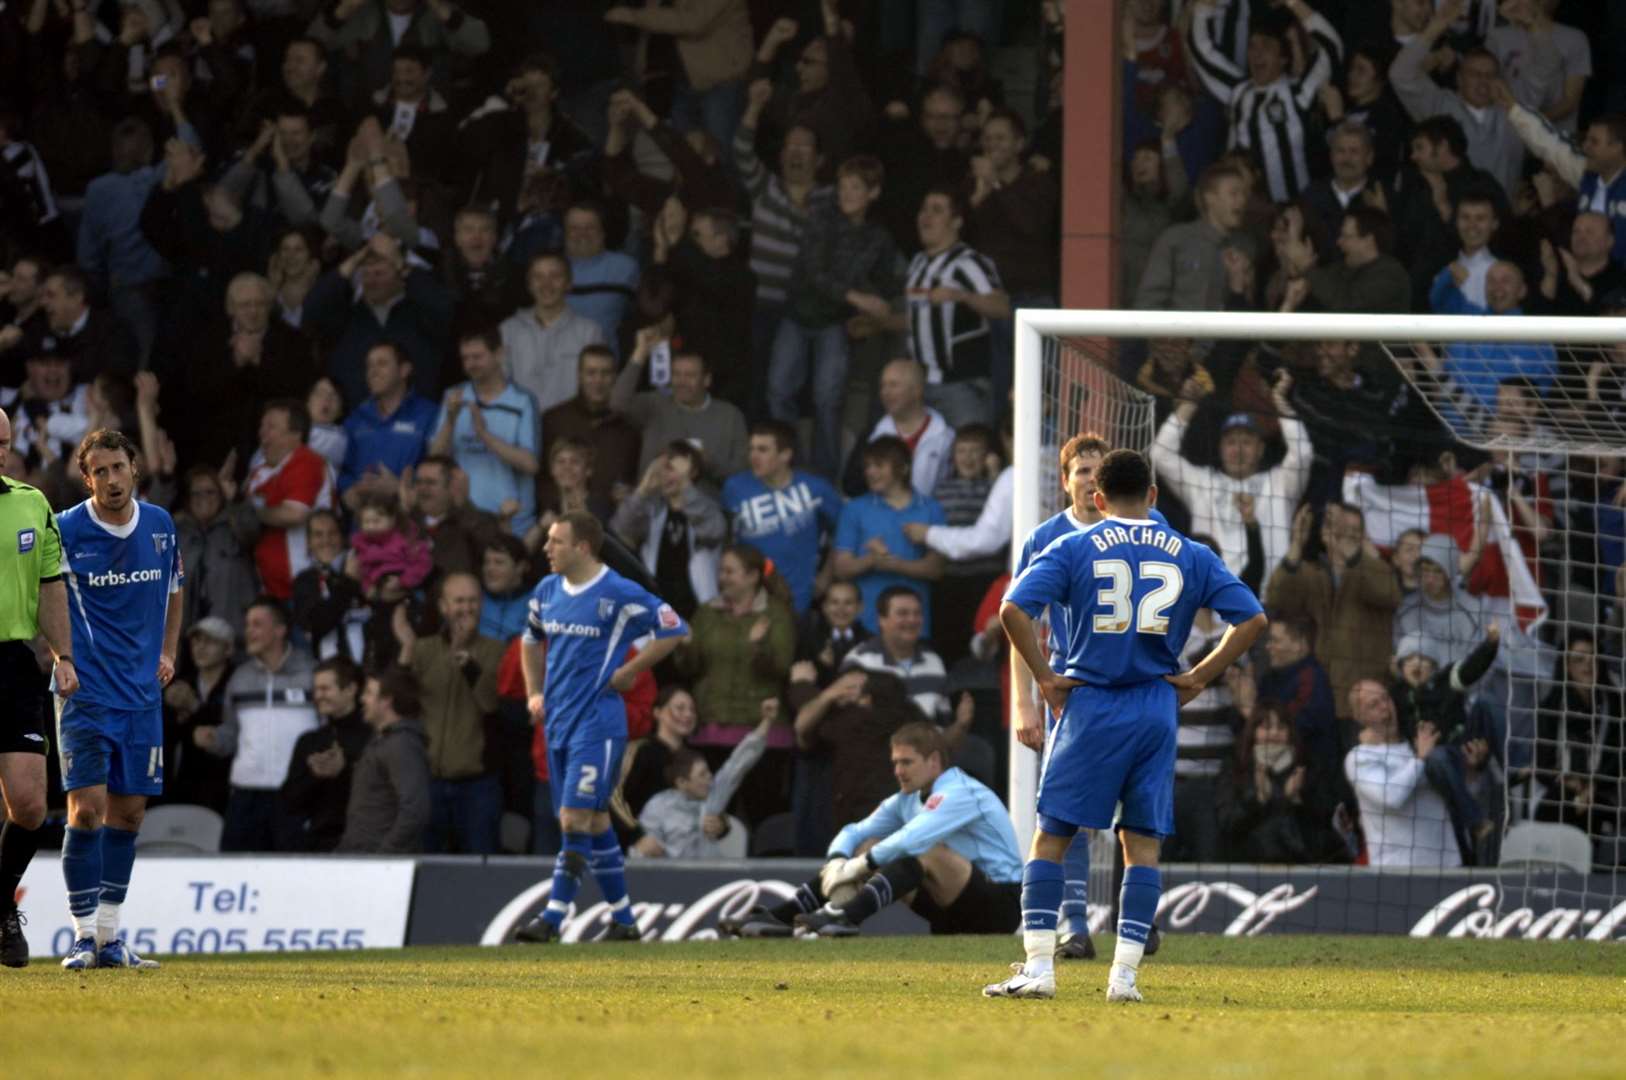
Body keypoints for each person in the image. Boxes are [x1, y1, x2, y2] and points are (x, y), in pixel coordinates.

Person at [988, 449, 1266, 1003]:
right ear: (1155, 497)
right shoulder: (1191, 553)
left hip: (1090, 704)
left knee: (1051, 838)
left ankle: (1039, 970)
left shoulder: (1072, 544)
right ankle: (1124, 980)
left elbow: (1013, 610)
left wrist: (1044, 678)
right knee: (1141, 847)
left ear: (1097, 498)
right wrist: (1199, 677)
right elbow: (1253, 618)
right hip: (1156, 707)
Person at [1006, 433, 1170, 961]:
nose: (1089, 479)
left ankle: (1135, 924)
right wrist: (1026, 699)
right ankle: (1076, 925)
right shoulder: (1046, 539)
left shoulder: (1153, 531)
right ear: (1066, 481)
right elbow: (1020, 618)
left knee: (1134, 813)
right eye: (1081, 471)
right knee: (1064, 814)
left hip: (1128, 690)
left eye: (1098, 471)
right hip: (1069, 693)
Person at [513, 511, 689, 944]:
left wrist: (633, 669)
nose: (546, 548)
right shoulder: (548, 590)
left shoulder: (618, 591)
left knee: (573, 818)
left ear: (583, 547)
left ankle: (552, 918)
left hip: (598, 723)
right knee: (591, 822)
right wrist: (535, 691)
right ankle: (625, 921)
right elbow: (530, 640)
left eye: (556, 541)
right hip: (558, 724)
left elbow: (674, 628)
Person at [53, 429, 185, 970]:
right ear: (88, 479)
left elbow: (175, 590)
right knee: (86, 811)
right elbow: (45, 594)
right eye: (99, 471)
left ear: (135, 468)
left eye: (118, 467)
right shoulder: (65, 530)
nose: (111, 479)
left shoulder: (159, 524)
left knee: (128, 816)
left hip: (141, 696)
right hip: (86, 693)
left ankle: (110, 940)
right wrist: (60, 654)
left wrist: (170, 651)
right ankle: (83, 935)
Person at [725, 722, 1022, 939]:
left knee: (925, 850)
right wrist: (838, 862)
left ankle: (847, 917)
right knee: (869, 845)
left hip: (1000, 905)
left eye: (907, 762)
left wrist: (858, 867)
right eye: (895, 762)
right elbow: (854, 831)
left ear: (933, 761)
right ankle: (783, 918)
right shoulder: (906, 798)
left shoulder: (960, 791)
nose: (898, 771)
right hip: (953, 913)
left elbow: (913, 839)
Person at [0, 407, 76, 968]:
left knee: (29, 804)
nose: (0, 453)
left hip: (12, 662)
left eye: (3, 443)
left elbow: (51, 587)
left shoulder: (31, 504)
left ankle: (2, 905)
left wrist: (63, 654)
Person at [197, 597, 318, 853]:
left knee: (290, 879)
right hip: (245, 795)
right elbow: (232, 735)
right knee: (235, 873)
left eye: (257, 624)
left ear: (280, 630)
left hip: (296, 795)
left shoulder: (312, 673)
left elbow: (327, 732)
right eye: (247, 624)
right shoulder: (240, 679)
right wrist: (214, 738)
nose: (248, 631)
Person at [395, 572, 504, 854]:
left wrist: (467, 663)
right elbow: (398, 703)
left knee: (480, 867)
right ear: (443, 606)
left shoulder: (496, 650)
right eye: (459, 601)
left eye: (473, 601)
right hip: (427, 780)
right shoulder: (423, 649)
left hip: (477, 785)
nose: (466, 608)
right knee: (428, 865)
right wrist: (406, 650)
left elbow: (490, 703)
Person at [721, 419, 843, 614]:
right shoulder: (734, 488)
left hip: (800, 597)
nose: (753, 456)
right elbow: (726, 538)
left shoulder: (816, 488)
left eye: (763, 450)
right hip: (750, 599)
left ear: (785, 455)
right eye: (751, 449)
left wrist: (826, 575)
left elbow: (844, 530)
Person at [428, 327, 541, 535]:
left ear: (499, 354)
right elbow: (434, 461)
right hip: (461, 522)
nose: (471, 364)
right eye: (466, 358)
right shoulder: (453, 397)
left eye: (477, 357)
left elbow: (530, 464)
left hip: (511, 524)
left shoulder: (523, 401)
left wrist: (484, 435)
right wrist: (450, 421)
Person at [634, 702, 777, 859]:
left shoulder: (712, 801)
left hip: (709, 877)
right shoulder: (658, 806)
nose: (710, 777)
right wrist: (642, 849)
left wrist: (767, 722)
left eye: (708, 772)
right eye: (702, 774)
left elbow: (737, 764)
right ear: (682, 782)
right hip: (668, 877)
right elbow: (642, 849)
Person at [1345, 679, 1460, 868]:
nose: (1384, 707)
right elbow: (1391, 797)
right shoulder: (1359, 758)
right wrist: (1419, 760)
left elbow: (1456, 793)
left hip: (1447, 865)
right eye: (1374, 705)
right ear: (1360, 717)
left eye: (1386, 698)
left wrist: (1472, 772)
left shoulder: (1418, 745)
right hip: (1397, 871)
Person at [335, 667, 434, 854]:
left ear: (387, 701)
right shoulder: (382, 739)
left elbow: (415, 810)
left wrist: (385, 854)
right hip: (359, 855)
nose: (362, 699)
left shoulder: (401, 745)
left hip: (378, 864)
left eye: (369, 693)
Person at [279, 656, 371, 852]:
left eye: (325, 688)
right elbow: (289, 801)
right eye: (316, 689)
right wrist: (315, 776)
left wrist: (344, 771)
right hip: (316, 845)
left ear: (351, 690)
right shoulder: (309, 741)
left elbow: (384, 795)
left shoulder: (374, 736)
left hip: (365, 846)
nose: (318, 695)